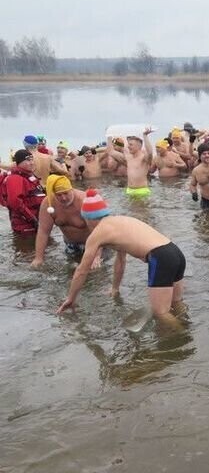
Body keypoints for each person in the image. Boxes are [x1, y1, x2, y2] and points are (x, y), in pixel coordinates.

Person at [56, 189, 187, 329]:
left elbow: (82, 270)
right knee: (176, 303)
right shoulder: (120, 221)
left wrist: (71, 298)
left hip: (161, 258)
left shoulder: (98, 233)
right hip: (175, 252)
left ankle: (184, 336)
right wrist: (115, 288)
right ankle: (186, 326)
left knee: (161, 313)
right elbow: (120, 260)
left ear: (87, 218)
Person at [32, 175, 102, 268]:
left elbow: (98, 231)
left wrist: (96, 257)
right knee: (70, 274)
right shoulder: (48, 203)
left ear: (71, 189)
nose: (63, 198)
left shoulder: (84, 201)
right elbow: (43, 232)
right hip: (71, 246)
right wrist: (38, 258)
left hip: (94, 245)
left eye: (66, 193)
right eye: (59, 195)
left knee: (96, 273)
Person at [1, 150, 46, 236]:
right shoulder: (15, 178)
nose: (32, 162)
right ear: (19, 162)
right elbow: (15, 202)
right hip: (25, 226)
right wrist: (32, 219)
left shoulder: (29, 176)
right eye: (28, 160)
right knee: (26, 248)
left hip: (36, 222)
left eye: (32, 159)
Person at [106, 128, 154, 197]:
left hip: (141, 191)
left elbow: (150, 152)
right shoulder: (128, 158)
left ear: (139, 146)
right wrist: (109, 135)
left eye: (131, 145)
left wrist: (145, 136)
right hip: (129, 190)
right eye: (128, 144)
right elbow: (110, 151)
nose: (128, 147)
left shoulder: (144, 159)